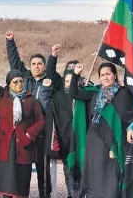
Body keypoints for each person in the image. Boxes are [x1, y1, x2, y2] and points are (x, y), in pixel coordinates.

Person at [0, 53, 45, 198]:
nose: (19, 84)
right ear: (9, 83)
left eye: (21, 81)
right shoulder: (2, 95)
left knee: (20, 184)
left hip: (23, 145)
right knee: (6, 183)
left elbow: (40, 121)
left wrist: (29, 135)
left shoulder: (31, 99)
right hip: (6, 145)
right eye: (15, 82)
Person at [68, 62, 133, 198]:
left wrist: (114, 146)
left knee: (111, 181)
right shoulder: (95, 93)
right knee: (95, 178)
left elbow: (122, 122)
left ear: (114, 75)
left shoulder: (123, 94)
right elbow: (73, 93)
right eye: (102, 75)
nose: (105, 77)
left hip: (113, 143)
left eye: (108, 74)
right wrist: (76, 74)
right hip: (94, 142)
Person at [5, 30, 51, 197]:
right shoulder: (25, 80)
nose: (36, 66)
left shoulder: (50, 80)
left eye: (39, 64)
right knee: (22, 170)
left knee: (42, 171)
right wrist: (10, 42)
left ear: (44, 66)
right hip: (24, 133)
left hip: (41, 133)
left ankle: (44, 195)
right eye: (33, 64)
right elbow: (15, 63)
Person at [44, 44, 83, 198]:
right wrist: (53, 56)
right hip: (65, 138)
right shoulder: (59, 91)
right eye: (70, 69)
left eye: (75, 69)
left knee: (83, 169)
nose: (72, 71)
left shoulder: (84, 89)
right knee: (69, 169)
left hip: (81, 137)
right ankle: (71, 194)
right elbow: (50, 73)